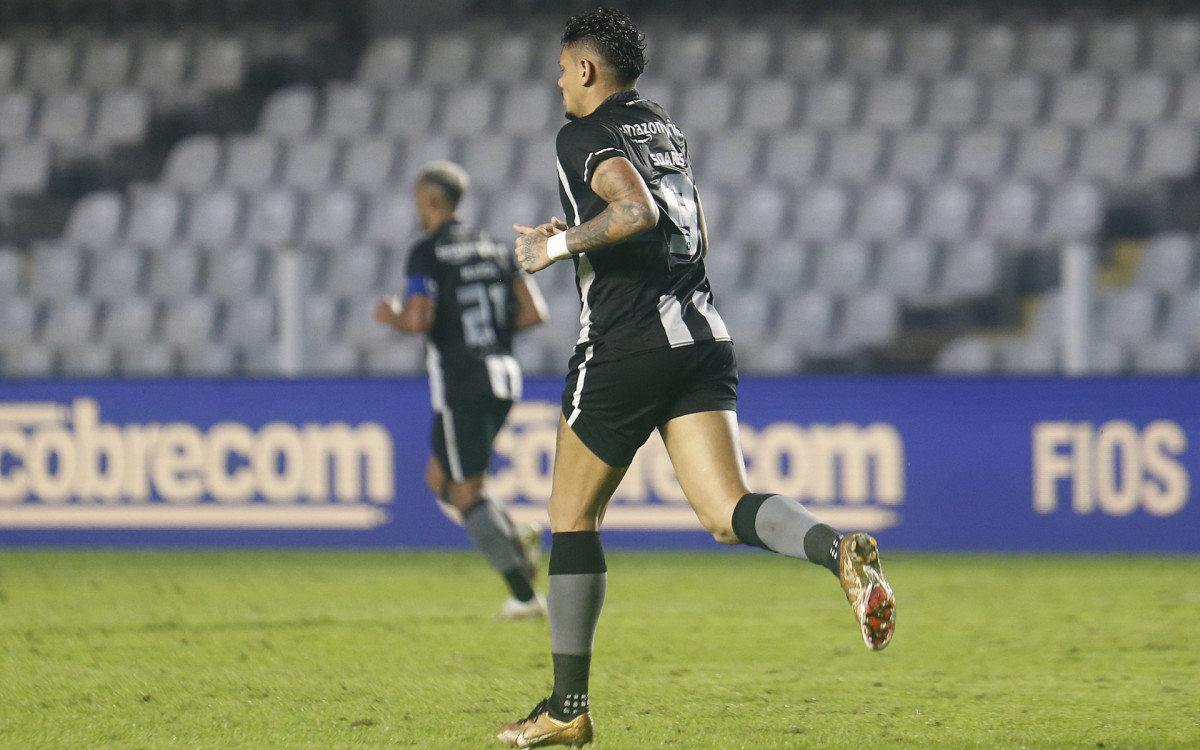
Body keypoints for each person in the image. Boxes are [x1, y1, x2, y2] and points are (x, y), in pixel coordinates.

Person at [496, 8, 896, 748]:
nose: (557, 81)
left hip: (627, 343)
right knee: (725, 510)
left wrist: (556, 252)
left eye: (561, 68)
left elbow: (636, 212)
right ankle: (837, 551)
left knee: (571, 517)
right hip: (701, 332)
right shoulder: (663, 127)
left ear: (585, 70)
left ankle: (567, 708)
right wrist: (579, 237)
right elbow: (688, 228)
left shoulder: (580, 133)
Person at [375, 160, 551, 621]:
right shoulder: (495, 247)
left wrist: (390, 315)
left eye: (417, 200)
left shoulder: (428, 251)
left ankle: (523, 594)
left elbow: (417, 320)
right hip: (503, 374)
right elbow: (533, 314)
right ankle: (514, 535)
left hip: (463, 379)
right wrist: (488, 334)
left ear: (431, 200)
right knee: (441, 479)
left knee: (465, 489)